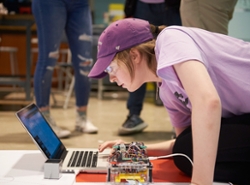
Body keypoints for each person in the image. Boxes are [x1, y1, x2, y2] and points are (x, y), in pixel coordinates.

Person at [88, 18, 250, 184]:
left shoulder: (171, 39)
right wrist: (134, 150)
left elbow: (208, 102)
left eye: (110, 68)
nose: (112, 78)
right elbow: (188, 145)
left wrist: (200, 182)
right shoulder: (166, 89)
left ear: (134, 55)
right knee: (186, 151)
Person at [32, 0, 98, 138]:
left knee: (85, 62)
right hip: (49, 3)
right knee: (48, 59)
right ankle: (45, 121)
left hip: (80, 3)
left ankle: (82, 117)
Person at [119, 0, 181, 135]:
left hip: (172, 5)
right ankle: (134, 115)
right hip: (142, 5)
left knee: (176, 59)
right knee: (137, 60)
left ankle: (182, 118)